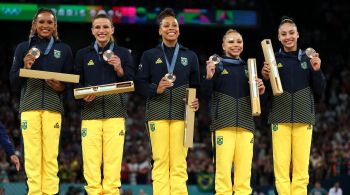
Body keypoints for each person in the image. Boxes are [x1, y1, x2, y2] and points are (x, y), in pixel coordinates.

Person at [135, 8, 200, 195]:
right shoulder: (149, 55)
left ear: (179, 30)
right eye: (166, 25)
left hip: (183, 114)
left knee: (179, 162)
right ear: (160, 30)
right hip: (157, 113)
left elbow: (196, 86)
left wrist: (196, 103)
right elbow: (139, 83)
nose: (171, 28)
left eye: (174, 25)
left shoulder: (190, 56)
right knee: (161, 160)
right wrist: (156, 89)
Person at [9, 8, 74, 195]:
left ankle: (51, 192)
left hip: (53, 109)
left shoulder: (64, 49)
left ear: (55, 26)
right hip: (29, 107)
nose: (45, 26)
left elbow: (69, 84)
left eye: (49, 22)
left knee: (50, 156)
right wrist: (25, 66)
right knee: (32, 156)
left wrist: (61, 87)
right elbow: (13, 82)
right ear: (34, 25)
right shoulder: (23, 48)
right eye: (41, 22)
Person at [261, 16, 326, 195]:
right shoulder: (272, 60)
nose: (288, 36)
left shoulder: (308, 58)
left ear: (297, 34)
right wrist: (265, 80)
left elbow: (320, 92)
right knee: (281, 171)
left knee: (301, 172)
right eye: (284, 34)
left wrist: (317, 70)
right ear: (278, 37)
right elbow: (264, 97)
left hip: (304, 119)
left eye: (291, 33)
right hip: (279, 120)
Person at [74, 13, 135, 195]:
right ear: (92, 31)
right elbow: (76, 82)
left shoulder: (123, 53)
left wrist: (119, 68)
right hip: (90, 115)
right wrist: (83, 94)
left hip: (115, 114)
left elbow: (132, 82)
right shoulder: (82, 54)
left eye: (105, 27)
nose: (102, 30)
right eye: (98, 27)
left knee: (113, 164)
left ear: (112, 30)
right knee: (91, 164)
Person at [205, 29, 265, 195]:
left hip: (246, 126)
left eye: (239, 41)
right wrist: (209, 77)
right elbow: (205, 94)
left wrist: (260, 91)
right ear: (223, 45)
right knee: (223, 176)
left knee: (244, 178)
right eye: (231, 42)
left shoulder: (250, 68)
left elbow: (258, 103)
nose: (235, 45)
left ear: (243, 45)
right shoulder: (217, 66)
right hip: (223, 126)